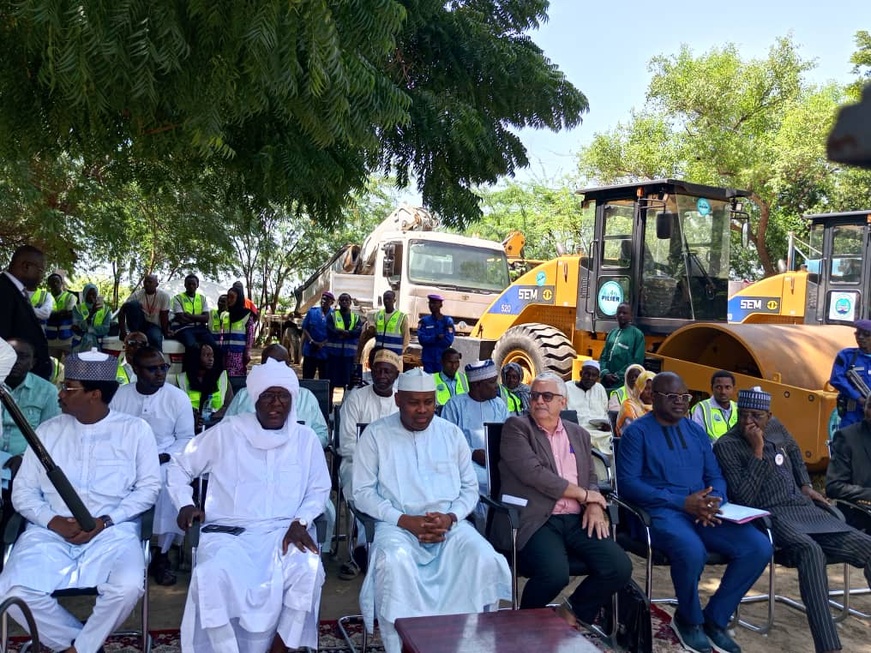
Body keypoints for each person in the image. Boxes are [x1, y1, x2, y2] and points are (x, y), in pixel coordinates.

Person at [0, 349, 161, 653]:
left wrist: (107, 520)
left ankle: (79, 649)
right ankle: (82, 645)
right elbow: (23, 492)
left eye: (68, 387)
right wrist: (53, 521)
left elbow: (149, 488)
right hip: (50, 533)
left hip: (112, 532)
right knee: (10, 589)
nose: (59, 394)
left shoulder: (135, 431)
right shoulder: (47, 432)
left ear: (94, 394)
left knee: (127, 587)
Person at [167, 358, 330, 653]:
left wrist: (302, 521)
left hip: (285, 531)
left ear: (293, 401)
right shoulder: (228, 432)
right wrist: (184, 504)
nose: (275, 403)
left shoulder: (305, 439)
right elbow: (179, 464)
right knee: (211, 574)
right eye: (267, 395)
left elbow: (318, 489)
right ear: (254, 399)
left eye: (283, 396)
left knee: (308, 569)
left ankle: (280, 648)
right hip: (230, 534)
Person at [352, 368, 512, 653]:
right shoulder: (375, 435)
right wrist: (404, 520)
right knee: (393, 564)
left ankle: (468, 642)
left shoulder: (450, 434)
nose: (422, 410)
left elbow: (469, 489)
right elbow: (362, 493)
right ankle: (403, 646)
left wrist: (450, 518)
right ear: (399, 399)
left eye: (428, 402)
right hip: (397, 527)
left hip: (450, 527)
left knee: (484, 557)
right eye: (414, 402)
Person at [617, 372, 771, 653]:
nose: (680, 402)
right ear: (654, 397)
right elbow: (628, 485)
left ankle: (715, 619)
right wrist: (681, 502)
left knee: (759, 546)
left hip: (704, 511)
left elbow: (715, 475)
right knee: (691, 550)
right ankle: (688, 620)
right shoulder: (636, 433)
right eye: (672, 397)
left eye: (684, 397)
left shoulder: (696, 431)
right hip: (659, 513)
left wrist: (715, 499)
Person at [714, 387, 871, 653]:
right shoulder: (727, 445)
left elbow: (795, 451)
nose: (749, 421)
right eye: (743, 415)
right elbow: (744, 498)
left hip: (803, 508)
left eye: (757, 415)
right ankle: (828, 646)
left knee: (868, 546)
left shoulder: (776, 426)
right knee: (811, 552)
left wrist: (806, 484)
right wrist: (758, 450)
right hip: (771, 515)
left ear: (769, 415)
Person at [498, 372, 632, 621]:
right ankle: (523, 622)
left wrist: (593, 504)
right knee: (554, 574)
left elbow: (590, 474)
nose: (539, 401)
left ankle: (572, 612)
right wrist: (585, 495)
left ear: (563, 401)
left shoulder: (578, 433)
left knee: (619, 567)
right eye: (535, 395)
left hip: (576, 517)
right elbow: (534, 474)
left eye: (547, 396)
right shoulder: (517, 427)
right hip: (536, 517)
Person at [224, 344, 336, 554]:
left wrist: (299, 444)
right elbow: (226, 434)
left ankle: (317, 551)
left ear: (289, 367)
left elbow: (322, 433)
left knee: (323, 509)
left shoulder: (306, 397)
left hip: (295, 472)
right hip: (250, 475)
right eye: (268, 363)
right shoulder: (244, 396)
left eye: (280, 364)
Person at [111, 346, 195, 587]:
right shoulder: (120, 396)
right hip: (125, 459)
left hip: (165, 458)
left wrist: (163, 455)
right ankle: (125, 551)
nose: (160, 373)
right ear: (136, 370)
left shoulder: (177, 397)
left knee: (169, 483)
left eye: (163, 367)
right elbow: (112, 433)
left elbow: (186, 438)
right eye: (152, 369)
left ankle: (161, 555)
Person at [336, 347, 402, 579]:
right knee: (361, 490)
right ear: (371, 371)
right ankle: (359, 553)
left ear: (396, 375)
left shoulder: (401, 402)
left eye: (388, 371)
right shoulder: (356, 399)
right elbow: (346, 444)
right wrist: (374, 465)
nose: (382, 375)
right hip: (356, 464)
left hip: (395, 466)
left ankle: (391, 549)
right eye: (378, 370)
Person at [441, 360, 509, 499]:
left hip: (497, 463)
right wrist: (472, 453)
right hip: (466, 464)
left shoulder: (499, 405)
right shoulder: (455, 405)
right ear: (477, 384)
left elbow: (508, 435)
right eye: (491, 382)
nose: (496, 386)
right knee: (478, 482)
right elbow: (446, 442)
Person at [0, 338, 61, 486]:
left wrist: (24, 458)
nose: (15, 361)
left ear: (33, 363)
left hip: (29, 464)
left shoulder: (47, 391)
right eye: (11, 355)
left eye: (23, 356)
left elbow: (52, 436)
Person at [0, 245, 52, 380]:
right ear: (26, 266)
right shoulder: (3, 291)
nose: (42, 276)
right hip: (13, 382)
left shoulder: (16, 291)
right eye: (41, 270)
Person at [827, 393, 871, 531]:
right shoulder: (847, 438)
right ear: (864, 409)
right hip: (863, 515)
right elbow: (834, 486)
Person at [174, 344, 233, 429]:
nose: (211, 359)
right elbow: (177, 407)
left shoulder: (222, 378)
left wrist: (215, 417)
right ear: (196, 357)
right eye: (206, 355)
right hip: (190, 425)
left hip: (216, 425)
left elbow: (230, 405)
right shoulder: (182, 379)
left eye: (212, 355)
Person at [829, 318, 871, 430]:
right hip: (852, 412)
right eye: (857, 333)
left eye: (866, 334)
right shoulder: (847, 355)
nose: (860, 337)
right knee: (848, 442)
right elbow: (836, 378)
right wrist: (858, 397)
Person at [565, 360, 612, 454]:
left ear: (597, 378)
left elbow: (605, 412)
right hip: (577, 431)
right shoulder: (567, 387)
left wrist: (607, 425)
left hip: (600, 431)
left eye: (594, 375)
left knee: (613, 440)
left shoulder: (600, 389)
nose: (590, 378)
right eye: (587, 374)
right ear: (581, 373)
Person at [598, 303, 645, 390]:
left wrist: (618, 376)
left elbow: (637, 362)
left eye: (624, 313)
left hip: (622, 384)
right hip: (605, 382)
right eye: (619, 312)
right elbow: (603, 357)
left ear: (631, 316)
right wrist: (605, 373)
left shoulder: (637, 335)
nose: (621, 315)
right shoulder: (612, 333)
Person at [119, 274, 171, 351]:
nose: (147, 284)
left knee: (155, 338)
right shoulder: (137, 295)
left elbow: (164, 316)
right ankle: (135, 333)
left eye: (150, 282)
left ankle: (157, 361)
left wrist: (165, 332)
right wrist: (123, 331)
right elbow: (122, 311)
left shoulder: (164, 296)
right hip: (139, 324)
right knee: (133, 304)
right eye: (145, 282)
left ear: (156, 284)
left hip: (154, 326)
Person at [169, 274, 218, 350]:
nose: (191, 286)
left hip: (200, 328)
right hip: (184, 328)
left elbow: (206, 318)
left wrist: (189, 316)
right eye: (189, 284)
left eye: (193, 284)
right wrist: (199, 318)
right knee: (192, 346)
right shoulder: (178, 298)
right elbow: (182, 319)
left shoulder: (202, 298)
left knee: (214, 346)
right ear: (185, 285)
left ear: (197, 285)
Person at [220, 285, 255, 392]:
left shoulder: (247, 314)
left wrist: (247, 351)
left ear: (238, 298)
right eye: (228, 298)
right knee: (224, 379)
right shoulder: (225, 315)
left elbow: (250, 334)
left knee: (236, 380)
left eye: (232, 297)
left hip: (238, 354)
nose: (229, 300)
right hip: (224, 353)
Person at [326, 292, 363, 390]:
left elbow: (358, 332)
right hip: (334, 356)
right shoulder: (332, 316)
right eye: (342, 300)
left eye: (346, 300)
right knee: (331, 383)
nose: (344, 302)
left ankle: (345, 404)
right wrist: (348, 333)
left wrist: (345, 332)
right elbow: (330, 331)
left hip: (349, 356)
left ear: (350, 302)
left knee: (348, 384)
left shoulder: (356, 318)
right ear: (338, 302)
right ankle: (330, 405)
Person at [691, 370, 737, 441]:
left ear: (733, 389)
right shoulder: (701, 408)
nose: (723, 392)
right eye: (718, 387)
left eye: (727, 387)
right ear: (712, 388)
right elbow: (697, 438)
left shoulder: (738, 408)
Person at [417, 294, 455, 373]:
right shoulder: (424, 321)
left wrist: (430, 340)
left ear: (440, 305)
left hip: (442, 360)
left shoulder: (447, 321)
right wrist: (436, 338)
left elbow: (448, 340)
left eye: (434, 303)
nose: (431, 305)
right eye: (430, 303)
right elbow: (422, 339)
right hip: (428, 360)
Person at [301, 291, 334, 381]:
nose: (324, 301)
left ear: (332, 302)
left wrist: (322, 344)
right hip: (310, 351)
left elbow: (335, 333)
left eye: (327, 299)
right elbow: (305, 328)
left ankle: (323, 395)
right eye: (323, 298)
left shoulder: (334, 316)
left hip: (325, 353)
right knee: (307, 379)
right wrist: (312, 341)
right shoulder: (312, 312)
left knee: (325, 380)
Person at [366, 289, 409, 356]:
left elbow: (406, 336)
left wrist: (402, 351)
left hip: (394, 354)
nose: (386, 301)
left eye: (389, 299)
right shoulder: (378, 315)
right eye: (385, 299)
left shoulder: (402, 316)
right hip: (379, 353)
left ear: (394, 300)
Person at [70, 284, 112, 353]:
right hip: (79, 345)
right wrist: (91, 313)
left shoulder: (106, 309)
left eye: (94, 294)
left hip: (99, 345)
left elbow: (106, 328)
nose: (91, 296)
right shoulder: (77, 308)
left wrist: (89, 329)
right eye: (89, 294)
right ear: (84, 294)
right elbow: (78, 326)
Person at [44, 273, 78, 357]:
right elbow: (44, 315)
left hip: (67, 339)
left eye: (57, 282)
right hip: (50, 340)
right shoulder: (45, 297)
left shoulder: (70, 297)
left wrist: (52, 315)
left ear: (61, 283)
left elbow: (70, 314)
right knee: (52, 368)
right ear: (49, 284)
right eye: (52, 282)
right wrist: (62, 313)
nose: (55, 284)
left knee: (70, 366)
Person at [615, 369, 655, 436]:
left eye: (653, 389)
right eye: (646, 388)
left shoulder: (659, 407)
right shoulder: (629, 406)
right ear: (638, 389)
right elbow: (631, 433)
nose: (650, 393)